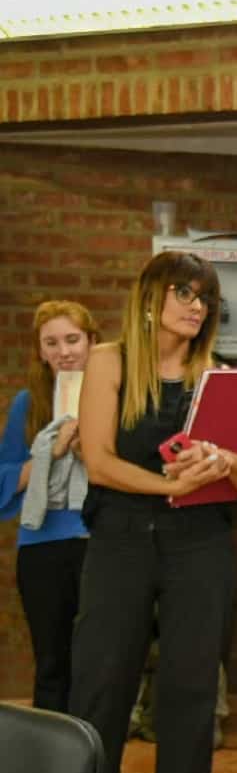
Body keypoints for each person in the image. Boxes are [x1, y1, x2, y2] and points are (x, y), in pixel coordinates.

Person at [70, 251, 237, 773]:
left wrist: (224, 460)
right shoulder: (110, 361)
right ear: (150, 298)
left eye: (204, 296)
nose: (196, 305)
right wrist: (169, 485)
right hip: (122, 538)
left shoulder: (222, 377)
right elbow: (99, 462)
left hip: (200, 545)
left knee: (189, 700)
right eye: (183, 292)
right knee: (100, 690)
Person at [0, 300, 99, 715]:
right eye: (52, 343)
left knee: (98, 666)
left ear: (92, 342)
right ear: (40, 351)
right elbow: (5, 477)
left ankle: (96, 756)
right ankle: (51, 753)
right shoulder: (28, 404)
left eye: (72, 340)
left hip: (102, 541)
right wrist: (49, 453)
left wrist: (90, 450)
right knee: (52, 665)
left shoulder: (113, 397)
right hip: (42, 546)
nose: (64, 352)